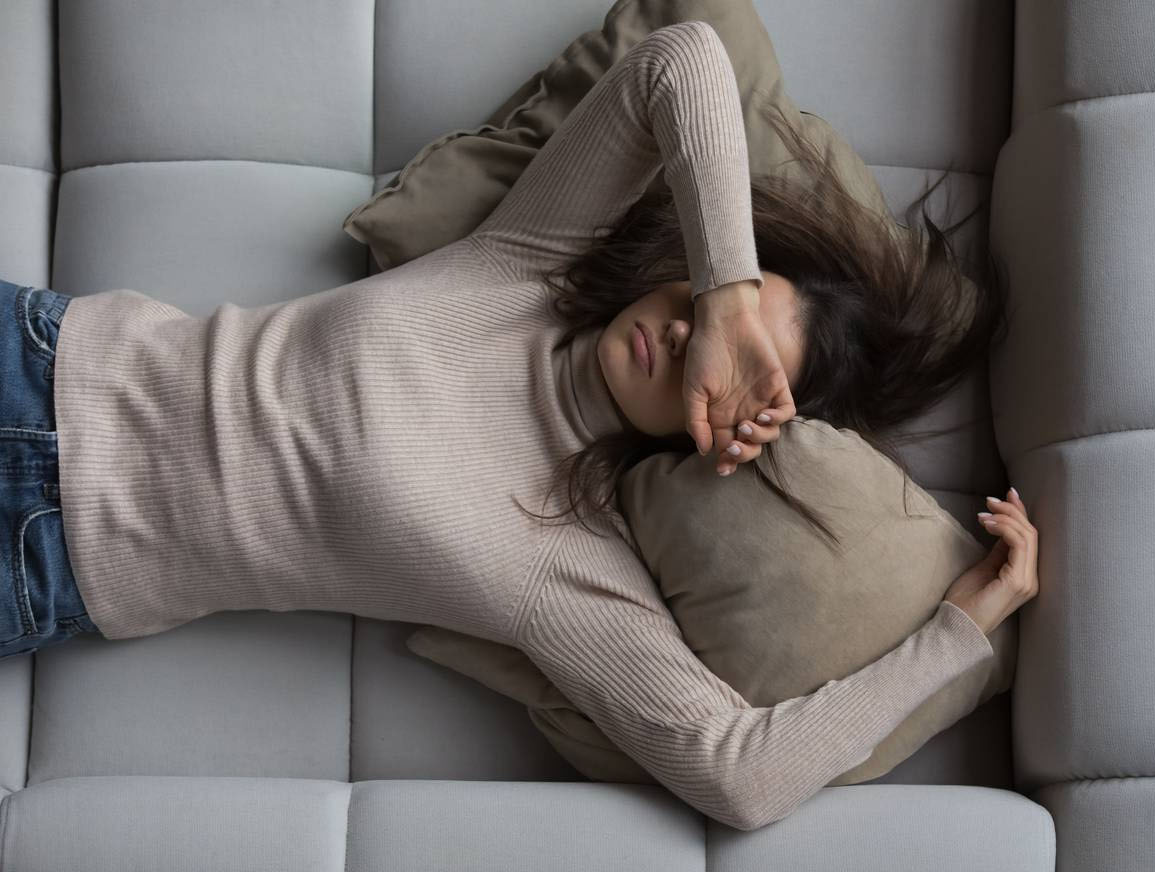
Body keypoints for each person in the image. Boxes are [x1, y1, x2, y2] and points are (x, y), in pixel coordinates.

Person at [0, 22, 1039, 831]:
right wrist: (730, 295)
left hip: (47, 553)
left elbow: (742, 777)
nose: (689, 336)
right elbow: (682, 60)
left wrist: (954, 634)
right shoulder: (527, 266)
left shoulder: (566, 566)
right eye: (709, 308)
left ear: (742, 438)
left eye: (732, 370)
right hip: (46, 354)